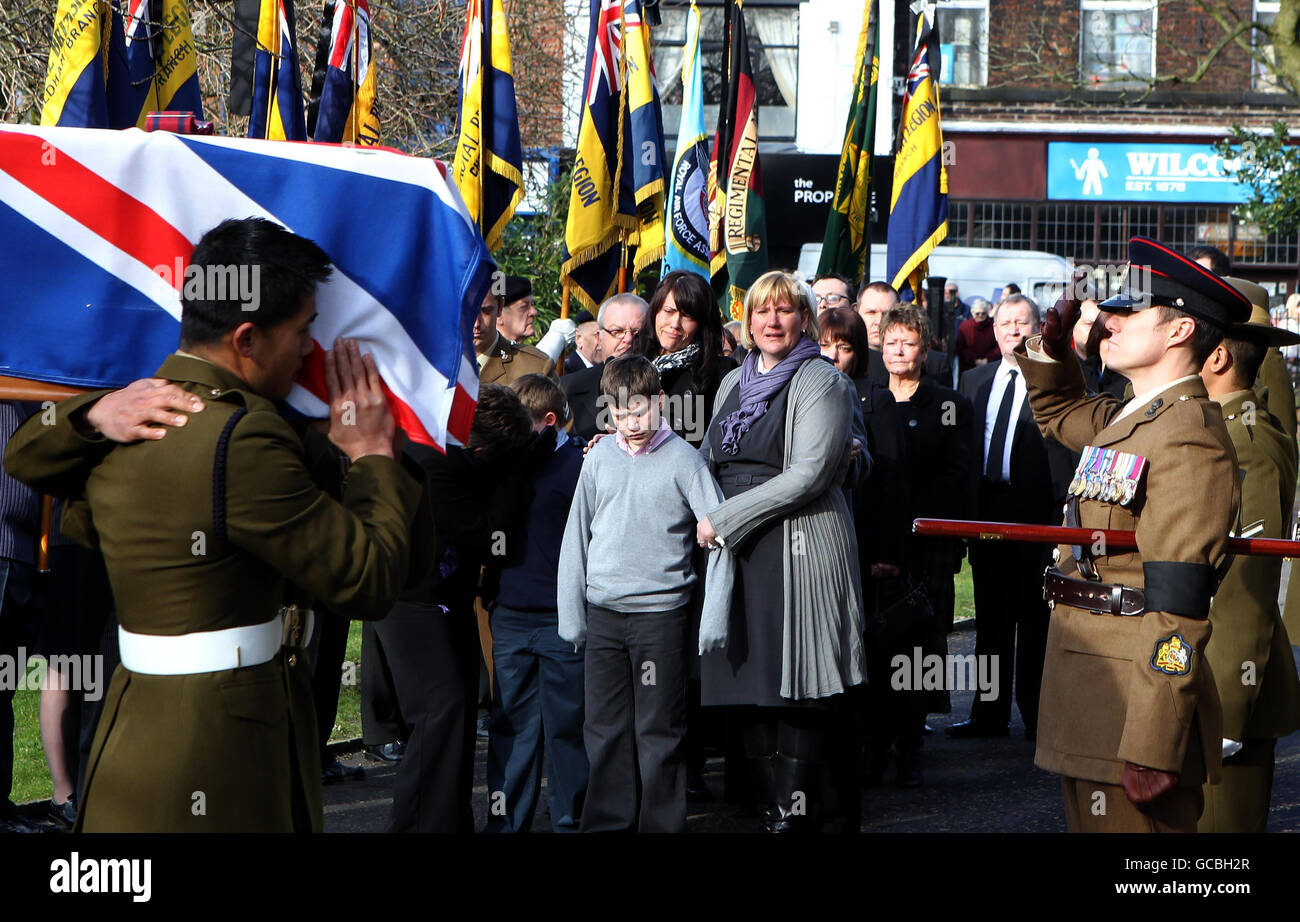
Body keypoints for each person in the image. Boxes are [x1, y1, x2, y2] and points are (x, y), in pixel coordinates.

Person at [4, 216, 433, 832]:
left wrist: (95, 410)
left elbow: (24, 455)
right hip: (216, 744)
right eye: (303, 330)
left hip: (136, 726)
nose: (311, 348)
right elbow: (369, 581)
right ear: (248, 339)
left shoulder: (139, 412)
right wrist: (372, 457)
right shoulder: (245, 436)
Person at [1018, 236, 1247, 833]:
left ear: (1179, 331)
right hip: (1092, 688)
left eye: (1129, 310)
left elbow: (1179, 606)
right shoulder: (1133, 415)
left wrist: (1154, 737)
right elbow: (1058, 412)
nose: (1108, 318)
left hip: (1134, 705)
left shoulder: (1186, 434)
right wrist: (1050, 346)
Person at [696, 270, 866, 831]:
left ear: (805, 319)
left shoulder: (821, 381)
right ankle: (774, 812)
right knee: (752, 687)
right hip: (740, 557)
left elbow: (809, 475)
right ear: (746, 322)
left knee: (802, 692)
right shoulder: (729, 385)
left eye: (786, 310)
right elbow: (704, 460)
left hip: (801, 549)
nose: (772, 321)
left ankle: (801, 818)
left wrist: (722, 518)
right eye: (762, 311)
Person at [558, 355, 734, 833]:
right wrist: (572, 616)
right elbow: (577, 535)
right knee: (604, 729)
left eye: (640, 411)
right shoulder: (597, 459)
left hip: (661, 618)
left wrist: (713, 619)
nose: (631, 424)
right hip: (604, 617)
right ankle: (607, 824)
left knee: (658, 731)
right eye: (619, 414)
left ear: (660, 402)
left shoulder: (685, 460)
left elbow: (720, 537)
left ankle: (660, 826)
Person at [371, 384, 536, 832]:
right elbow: (485, 533)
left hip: (447, 595)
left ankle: (450, 821)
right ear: (480, 449)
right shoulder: (432, 460)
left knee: (457, 714)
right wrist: (517, 472)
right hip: (409, 599)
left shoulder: (458, 453)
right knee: (437, 712)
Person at [1194, 281, 1300, 833]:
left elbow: (1243, 584)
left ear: (1216, 356)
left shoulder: (1246, 443)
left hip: (1224, 687)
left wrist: (1228, 708)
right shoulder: (1210, 429)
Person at [484, 375, 589, 833]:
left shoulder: (583, 465)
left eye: (519, 426)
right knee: (510, 728)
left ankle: (571, 821)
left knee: (567, 729)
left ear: (548, 422)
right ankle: (506, 825)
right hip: (509, 615)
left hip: (561, 619)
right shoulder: (507, 463)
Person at [949, 295, 1054, 742]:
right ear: (994, 331)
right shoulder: (974, 381)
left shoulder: (1056, 383)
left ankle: (1036, 717)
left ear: (1037, 328)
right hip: (987, 515)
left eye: (1021, 322)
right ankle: (988, 715)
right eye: (1004, 323)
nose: (1012, 329)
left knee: (1035, 620)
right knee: (991, 621)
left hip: (1037, 518)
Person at [878, 305, 973, 784]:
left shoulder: (949, 403)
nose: (898, 350)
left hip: (927, 542)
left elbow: (960, 474)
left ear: (925, 347)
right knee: (878, 642)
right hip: (877, 542)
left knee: (921, 644)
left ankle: (912, 742)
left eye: (907, 342)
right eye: (890, 340)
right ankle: (876, 742)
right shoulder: (865, 397)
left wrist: (916, 515)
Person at [632, 270, 734, 448]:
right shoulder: (628, 365)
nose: (675, 324)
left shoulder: (720, 373)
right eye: (669, 311)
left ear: (702, 323)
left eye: (687, 316)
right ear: (655, 310)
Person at [561, 293, 648, 440]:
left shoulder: (669, 387)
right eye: (617, 332)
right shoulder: (567, 388)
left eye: (637, 332)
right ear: (599, 337)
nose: (628, 339)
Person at [860, 280, 951, 386]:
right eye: (871, 312)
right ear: (856, 310)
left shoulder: (936, 364)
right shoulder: (851, 361)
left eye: (887, 313)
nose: (879, 321)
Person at [475, 285, 557, 385]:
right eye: (466, 312)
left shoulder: (537, 369)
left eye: (486, 311)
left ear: (500, 307)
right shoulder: (451, 365)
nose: (476, 324)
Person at [954, 297, 998, 373]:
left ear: (987, 313)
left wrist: (987, 359)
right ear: (972, 313)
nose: (980, 315)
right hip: (968, 367)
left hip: (989, 366)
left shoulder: (993, 326)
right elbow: (960, 347)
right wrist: (974, 360)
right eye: (977, 313)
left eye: (983, 313)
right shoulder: (965, 326)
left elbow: (998, 346)